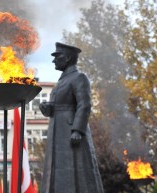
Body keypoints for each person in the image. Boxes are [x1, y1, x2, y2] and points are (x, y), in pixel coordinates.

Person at [39, 42, 104, 193]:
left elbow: (84, 104)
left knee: (75, 170)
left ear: (68, 58)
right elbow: (61, 105)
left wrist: (77, 130)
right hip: (57, 130)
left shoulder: (79, 77)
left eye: (57, 56)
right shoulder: (62, 81)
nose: (54, 60)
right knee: (56, 168)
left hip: (70, 131)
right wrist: (49, 108)